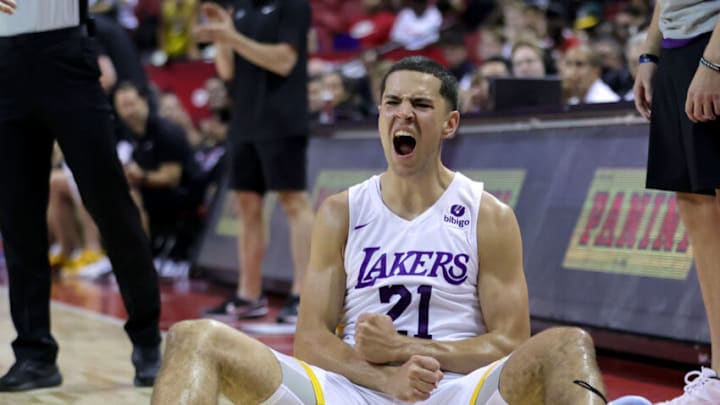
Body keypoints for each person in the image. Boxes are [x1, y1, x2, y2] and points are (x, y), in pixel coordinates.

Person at [150, 57, 651, 405]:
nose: (402, 113)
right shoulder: (341, 211)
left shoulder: (488, 214)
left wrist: (407, 350)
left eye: (420, 104)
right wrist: (383, 377)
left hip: (457, 390)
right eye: (391, 103)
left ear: (450, 123)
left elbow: (509, 343)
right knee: (193, 337)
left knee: (568, 346)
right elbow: (310, 340)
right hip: (350, 389)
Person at [0, 0, 161, 391]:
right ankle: (34, 354)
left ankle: (148, 342)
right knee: (18, 220)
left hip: (65, 56)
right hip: (4, 66)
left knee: (112, 207)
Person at [193, 0, 314, 323]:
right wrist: (222, 35)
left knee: (293, 201)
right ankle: (249, 294)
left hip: (282, 119)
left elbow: (284, 61)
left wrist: (232, 37)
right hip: (245, 121)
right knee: (247, 204)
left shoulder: (293, 7)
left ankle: (303, 294)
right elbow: (227, 70)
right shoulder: (241, 7)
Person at [633, 1, 720, 404]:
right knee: (697, 205)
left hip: (712, 48)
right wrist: (651, 53)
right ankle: (719, 377)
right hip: (678, 49)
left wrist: (714, 63)